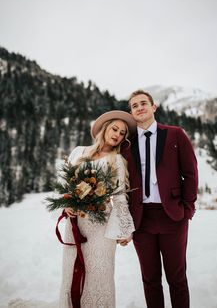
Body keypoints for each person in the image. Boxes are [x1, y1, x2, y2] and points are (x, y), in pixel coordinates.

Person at [121, 90, 198, 308]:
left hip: (172, 216)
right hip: (141, 219)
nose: (139, 107)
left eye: (143, 103)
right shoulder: (127, 144)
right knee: (150, 280)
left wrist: (187, 209)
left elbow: (191, 173)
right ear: (132, 113)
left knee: (177, 279)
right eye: (134, 106)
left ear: (154, 107)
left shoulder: (175, 134)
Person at [59, 110, 136, 308]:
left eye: (122, 133)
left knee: (99, 272)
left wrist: (126, 228)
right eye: (115, 129)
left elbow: (119, 196)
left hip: (101, 224)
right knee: (71, 270)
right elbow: (64, 184)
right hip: (75, 222)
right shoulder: (79, 152)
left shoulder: (117, 160)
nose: (117, 134)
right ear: (104, 129)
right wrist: (67, 203)